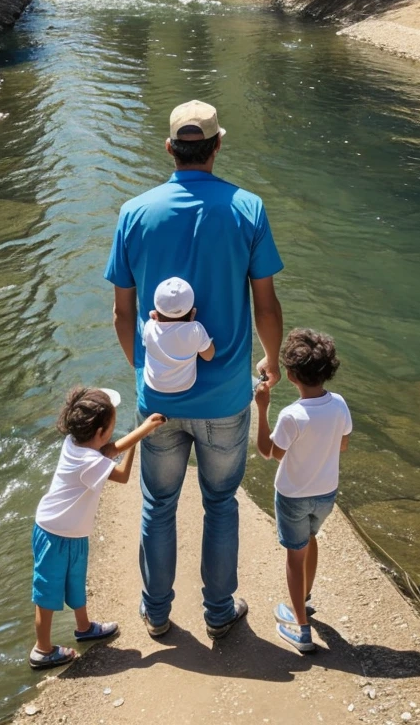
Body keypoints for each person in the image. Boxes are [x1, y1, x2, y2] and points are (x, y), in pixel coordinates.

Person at [104, 100, 284, 639]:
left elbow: (122, 312)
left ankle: (157, 613)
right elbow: (266, 306)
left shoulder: (134, 213)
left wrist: (144, 366)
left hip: (158, 400)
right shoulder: (247, 208)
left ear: (169, 148)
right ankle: (218, 610)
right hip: (226, 396)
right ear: (217, 145)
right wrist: (271, 362)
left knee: (158, 504)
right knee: (221, 503)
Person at [30, 387, 165, 669]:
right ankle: (42, 650)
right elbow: (123, 475)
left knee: (76, 582)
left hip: (73, 533)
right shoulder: (87, 461)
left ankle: (84, 628)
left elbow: (108, 450)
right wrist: (139, 438)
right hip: (54, 533)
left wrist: (136, 433)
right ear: (101, 431)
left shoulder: (75, 442)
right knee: (47, 594)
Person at [255, 328, 352, 653]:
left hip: (293, 495)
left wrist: (263, 407)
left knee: (293, 558)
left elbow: (270, 452)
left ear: (292, 375)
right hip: (326, 494)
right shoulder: (339, 404)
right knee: (310, 540)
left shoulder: (291, 415)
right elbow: (343, 444)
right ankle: (305, 601)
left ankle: (301, 628)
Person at [142, 276, 215, 395]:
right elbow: (209, 355)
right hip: (185, 384)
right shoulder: (195, 330)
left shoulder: (149, 327)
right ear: (193, 312)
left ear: (155, 313)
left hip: (153, 384)